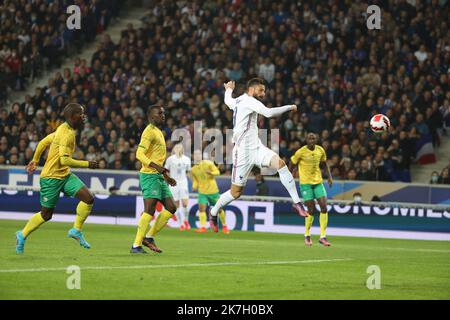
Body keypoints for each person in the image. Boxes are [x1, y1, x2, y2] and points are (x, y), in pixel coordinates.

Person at [209, 78, 308, 232]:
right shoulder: (249, 101)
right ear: (252, 89)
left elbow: (228, 100)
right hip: (242, 153)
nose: (263, 93)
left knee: (280, 164)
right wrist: (290, 107)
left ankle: (297, 202)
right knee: (235, 193)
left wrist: (228, 89)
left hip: (257, 147)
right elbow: (268, 113)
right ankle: (214, 212)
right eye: (261, 90)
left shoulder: (238, 100)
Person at [15, 103, 99, 254]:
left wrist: (35, 160)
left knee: (88, 198)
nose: (83, 116)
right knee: (46, 215)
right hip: (51, 178)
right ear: (73, 117)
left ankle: (76, 230)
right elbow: (65, 160)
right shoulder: (66, 134)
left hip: (65, 175)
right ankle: (22, 234)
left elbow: (43, 142)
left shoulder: (64, 128)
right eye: (81, 114)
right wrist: (88, 164)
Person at [130, 105, 177, 254]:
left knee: (171, 207)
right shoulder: (149, 132)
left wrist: (165, 176)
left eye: (164, 113)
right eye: (160, 113)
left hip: (158, 176)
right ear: (151, 116)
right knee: (149, 209)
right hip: (149, 175)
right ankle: (136, 245)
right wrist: (157, 167)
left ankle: (149, 237)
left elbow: (155, 156)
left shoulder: (158, 131)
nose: (163, 115)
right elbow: (139, 154)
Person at [290, 133, 333, 247]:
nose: (312, 139)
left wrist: (329, 176)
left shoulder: (320, 150)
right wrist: (290, 176)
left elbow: (324, 164)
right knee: (311, 210)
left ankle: (322, 237)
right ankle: (307, 234)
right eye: (309, 138)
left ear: (316, 139)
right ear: (306, 140)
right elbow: (292, 163)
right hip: (305, 184)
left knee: (324, 207)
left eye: (314, 138)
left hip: (318, 182)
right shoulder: (301, 152)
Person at [191, 150, 229, 234]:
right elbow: (195, 180)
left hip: (213, 191)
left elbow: (218, 172)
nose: (197, 156)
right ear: (193, 156)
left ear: (201, 156)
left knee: (219, 209)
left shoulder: (208, 163)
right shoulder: (193, 169)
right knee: (201, 209)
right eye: (195, 154)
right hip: (202, 192)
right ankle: (203, 227)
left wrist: (211, 172)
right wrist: (194, 187)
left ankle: (225, 226)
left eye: (199, 154)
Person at [165, 143, 192, 231]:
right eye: (176, 147)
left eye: (179, 147)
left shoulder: (187, 159)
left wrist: (193, 181)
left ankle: (186, 221)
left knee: (185, 203)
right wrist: (168, 180)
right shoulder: (170, 159)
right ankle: (181, 224)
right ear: (174, 149)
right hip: (174, 184)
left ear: (182, 149)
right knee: (176, 205)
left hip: (183, 183)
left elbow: (188, 171)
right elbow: (166, 171)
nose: (178, 149)